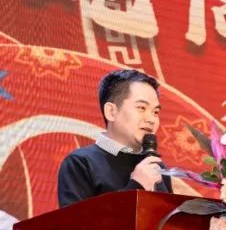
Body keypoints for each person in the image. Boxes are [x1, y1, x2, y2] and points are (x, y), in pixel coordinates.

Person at [57, 69, 172, 207]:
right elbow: (76, 220)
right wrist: (136, 186)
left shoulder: (156, 167)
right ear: (111, 112)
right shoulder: (81, 163)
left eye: (155, 112)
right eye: (142, 108)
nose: (151, 119)